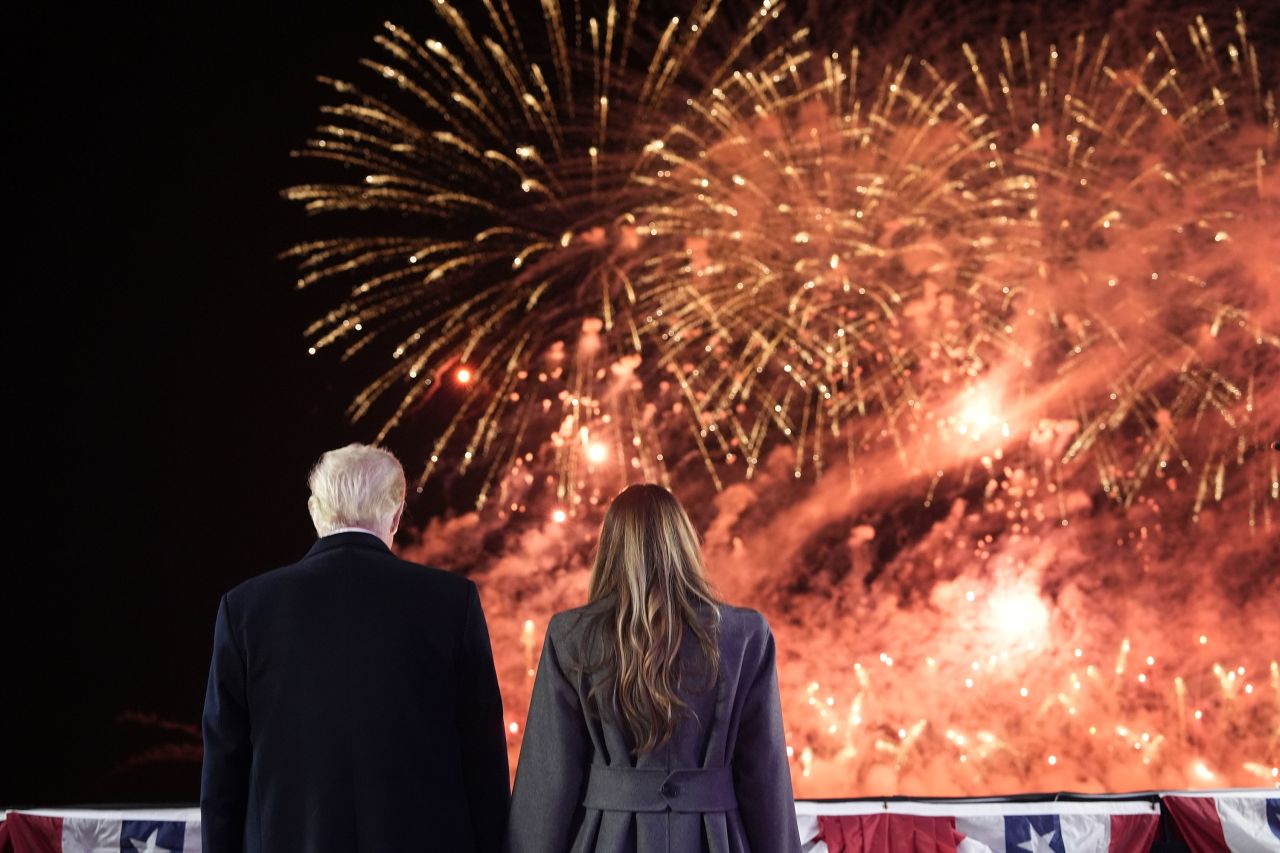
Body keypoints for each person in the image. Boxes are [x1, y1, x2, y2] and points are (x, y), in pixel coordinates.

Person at [201, 443, 509, 853]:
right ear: (397, 514)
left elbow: (223, 771)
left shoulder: (244, 609)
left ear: (315, 511)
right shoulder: (453, 603)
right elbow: (484, 765)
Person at [505, 484, 801, 853]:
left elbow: (549, 779)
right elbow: (764, 775)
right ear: (685, 543)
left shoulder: (571, 635)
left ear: (610, 548)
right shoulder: (746, 634)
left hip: (607, 839)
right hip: (716, 838)